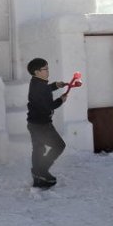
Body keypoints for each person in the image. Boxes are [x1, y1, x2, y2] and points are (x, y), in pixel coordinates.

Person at [26, 58, 68, 188]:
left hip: (34, 123)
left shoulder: (36, 82)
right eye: (45, 69)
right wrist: (61, 100)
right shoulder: (40, 86)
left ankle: (38, 176)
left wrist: (56, 85)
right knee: (59, 145)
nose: (48, 71)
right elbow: (48, 106)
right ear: (37, 72)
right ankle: (41, 171)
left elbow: (45, 90)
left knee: (38, 149)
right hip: (42, 125)